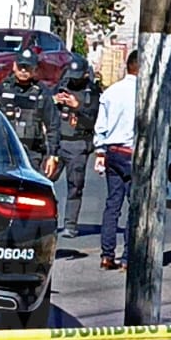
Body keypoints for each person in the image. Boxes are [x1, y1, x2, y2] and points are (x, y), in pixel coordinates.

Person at [93, 50, 139, 270]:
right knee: (135, 207)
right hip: (132, 153)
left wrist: (100, 151)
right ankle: (128, 257)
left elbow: (100, 126)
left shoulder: (111, 92)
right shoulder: (144, 94)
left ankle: (106, 255)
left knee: (113, 204)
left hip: (112, 151)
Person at [0, 47, 61, 180]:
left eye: (27, 67)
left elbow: (53, 125)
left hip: (32, 153)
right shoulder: (2, 89)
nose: (23, 71)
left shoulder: (42, 93)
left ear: (35, 69)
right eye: (21, 66)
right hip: (4, 150)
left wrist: (52, 155)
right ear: (14, 66)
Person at [53, 58, 102, 238]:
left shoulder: (92, 92)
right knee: (44, 182)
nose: (74, 81)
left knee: (74, 186)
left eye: (77, 77)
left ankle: (70, 225)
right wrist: (54, 100)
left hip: (78, 143)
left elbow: (94, 120)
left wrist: (77, 106)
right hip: (58, 142)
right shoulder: (62, 85)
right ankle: (46, 220)